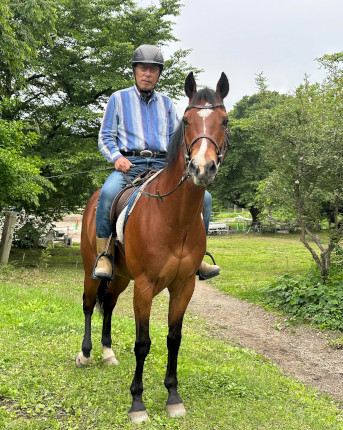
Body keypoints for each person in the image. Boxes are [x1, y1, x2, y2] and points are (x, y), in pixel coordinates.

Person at [94, 44, 220, 280]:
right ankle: (105, 255)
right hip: (129, 165)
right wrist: (116, 157)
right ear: (135, 71)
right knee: (108, 194)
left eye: (153, 69)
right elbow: (105, 136)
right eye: (143, 68)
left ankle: (198, 255)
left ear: (159, 74)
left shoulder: (167, 103)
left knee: (206, 199)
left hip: (162, 167)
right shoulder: (118, 99)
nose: (147, 73)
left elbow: (178, 139)